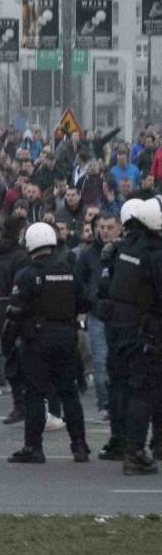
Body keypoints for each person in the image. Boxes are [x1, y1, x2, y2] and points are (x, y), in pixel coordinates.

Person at [2, 221, 91, 464]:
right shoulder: (68, 271)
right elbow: (85, 303)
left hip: (37, 340)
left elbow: (15, 312)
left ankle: (33, 447)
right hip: (66, 336)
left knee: (34, 394)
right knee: (69, 392)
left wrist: (7, 342)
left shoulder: (28, 274)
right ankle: (80, 446)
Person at [100, 197, 162, 473]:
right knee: (144, 389)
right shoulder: (155, 253)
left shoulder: (123, 248)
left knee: (123, 387)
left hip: (119, 328)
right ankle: (136, 451)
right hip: (143, 331)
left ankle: (124, 442)